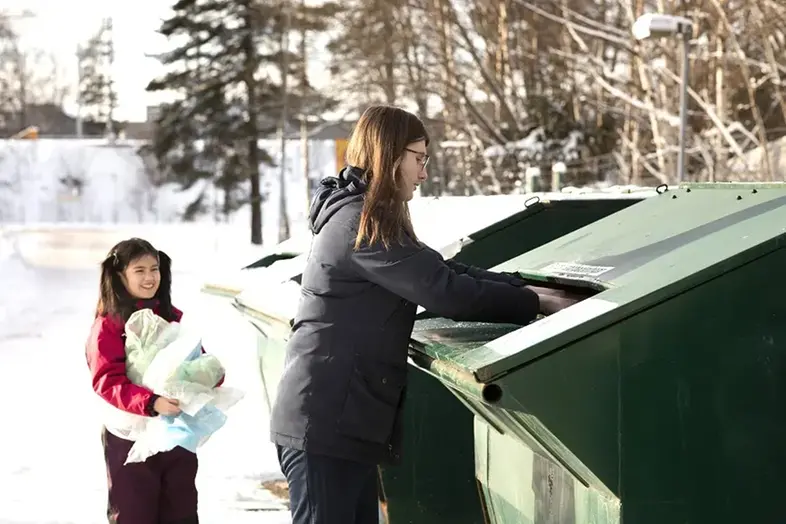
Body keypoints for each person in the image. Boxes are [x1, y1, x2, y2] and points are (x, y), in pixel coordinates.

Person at [270, 105, 580, 524]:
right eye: (419, 158)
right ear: (390, 155)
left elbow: (441, 270)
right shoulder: (359, 224)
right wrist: (533, 303)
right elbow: (443, 291)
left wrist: (523, 287)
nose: (423, 172)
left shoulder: (367, 216)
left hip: (342, 420)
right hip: (327, 421)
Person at [85, 237, 224, 524]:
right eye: (140, 270)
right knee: (135, 512)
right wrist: (151, 403)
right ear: (120, 275)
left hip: (175, 431)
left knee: (181, 510)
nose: (150, 278)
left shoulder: (170, 317)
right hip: (130, 436)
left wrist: (210, 376)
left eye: (154, 269)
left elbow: (192, 358)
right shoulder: (108, 325)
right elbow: (107, 381)